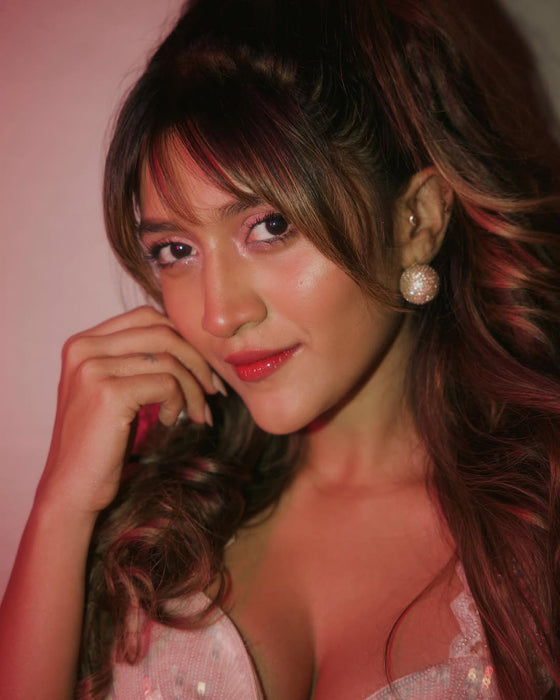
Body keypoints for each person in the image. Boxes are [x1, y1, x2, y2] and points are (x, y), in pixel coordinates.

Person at [1, 0, 560, 697]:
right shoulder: (150, 516)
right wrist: (62, 508)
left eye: (270, 226)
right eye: (176, 250)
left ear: (415, 222)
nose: (219, 313)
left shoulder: (540, 518)